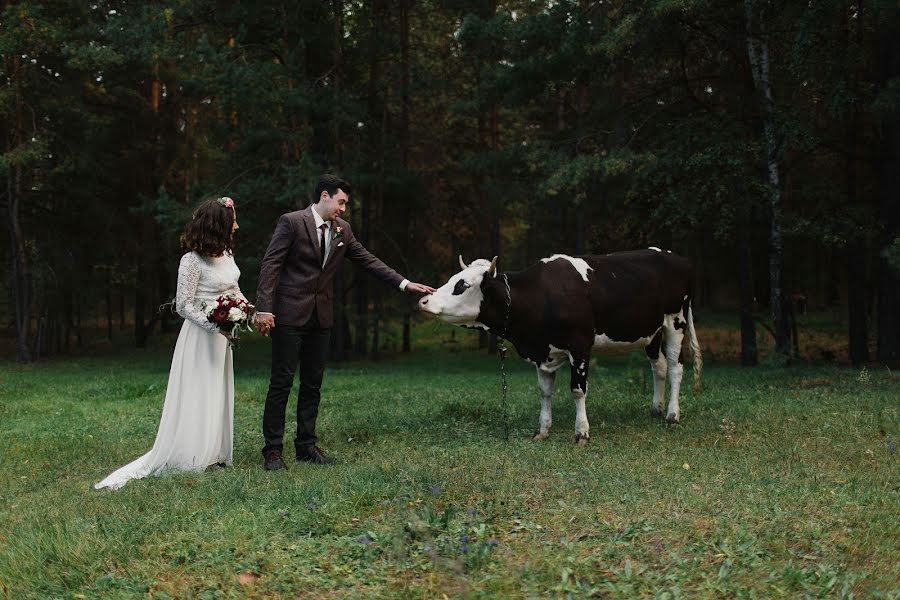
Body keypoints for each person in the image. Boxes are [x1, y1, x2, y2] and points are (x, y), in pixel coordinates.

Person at [254, 174, 434, 470]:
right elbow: (271, 264)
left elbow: (369, 260)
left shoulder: (343, 231)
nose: (344, 209)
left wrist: (404, 283)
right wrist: (264, 308)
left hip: (321, 317)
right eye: (341, 202)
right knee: (281, 383)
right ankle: (273, 451)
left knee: (313, 384)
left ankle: (306, 446)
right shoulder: (291, 222)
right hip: (289, 315)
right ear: (324, 196)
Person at [95, 197, 244, 490]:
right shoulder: (190, 261)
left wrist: (243, 313)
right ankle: (192, 456)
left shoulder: (226, 254)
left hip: (222, 340)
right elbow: (184, 305)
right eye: (232, 221)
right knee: (199, 393)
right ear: (218, 225)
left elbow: (234, 288)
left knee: (218, 392)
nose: (237, 226)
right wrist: (217, 325)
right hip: (201, 338)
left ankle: (215, 453)